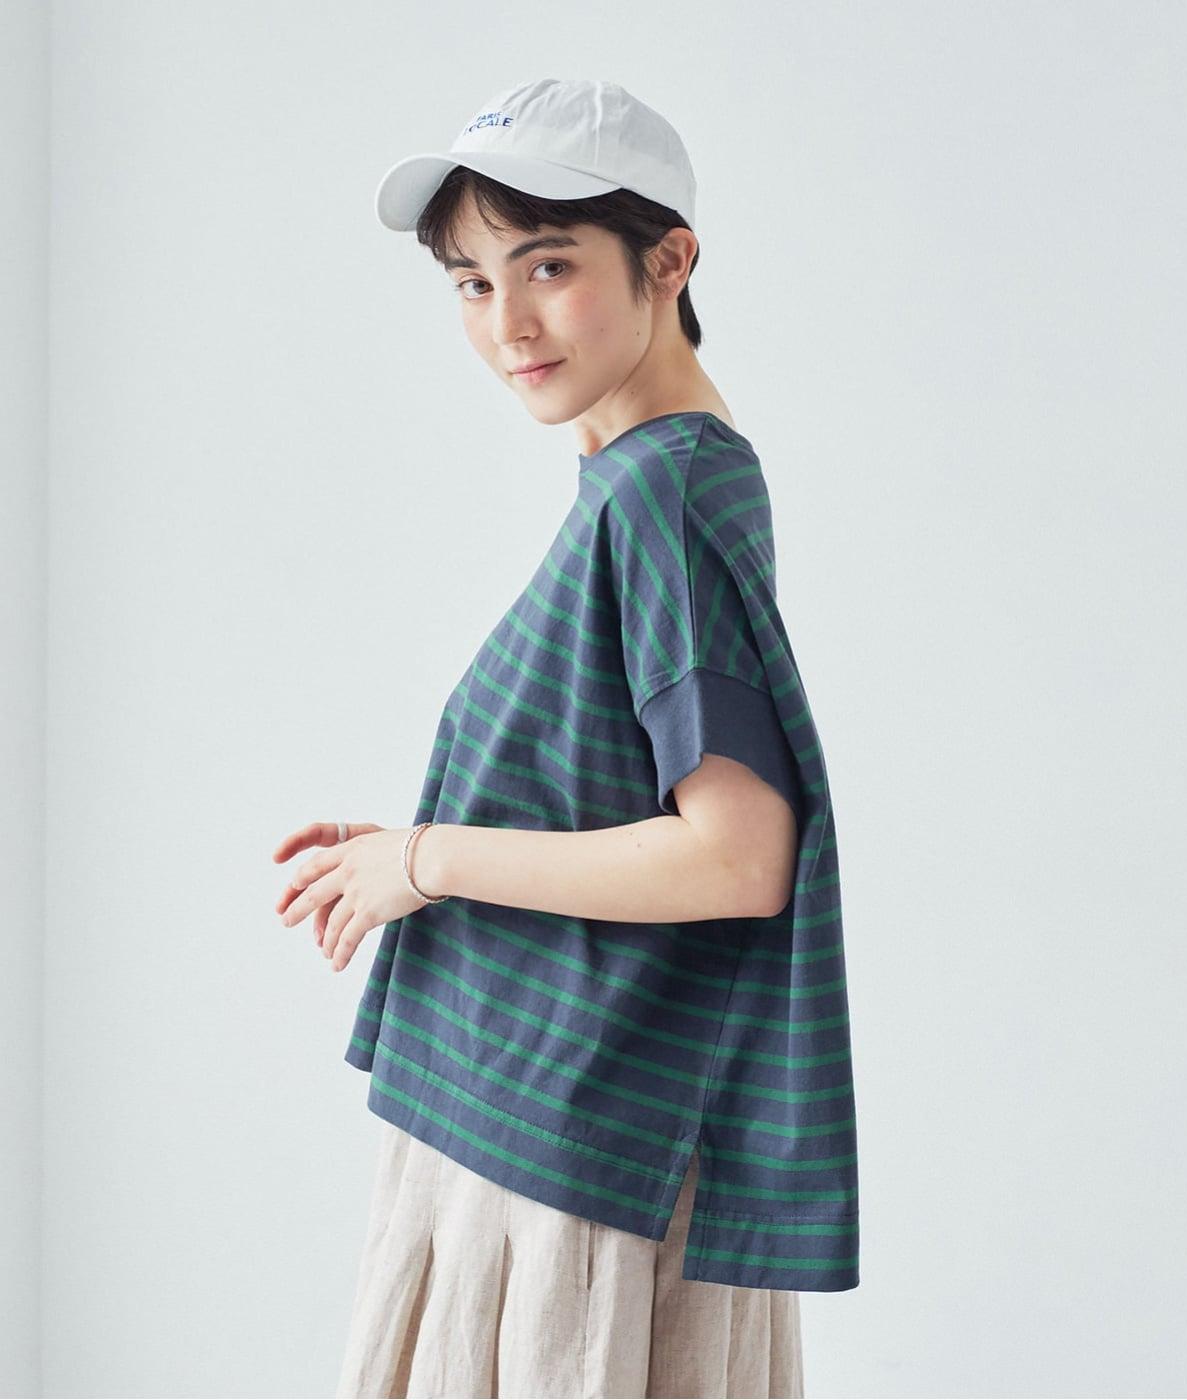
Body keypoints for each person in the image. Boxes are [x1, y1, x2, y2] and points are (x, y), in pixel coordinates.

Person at [271, 77, 859, 1400]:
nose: (508, 323)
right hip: (531, 1124)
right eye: (472, 283)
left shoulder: (669, 493)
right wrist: (417, 848)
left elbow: (736, 856)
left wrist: (428, 860)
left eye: (548, 265)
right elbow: (611, 798)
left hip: (572, 1161)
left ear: (670, 260)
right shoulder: (633, 484)